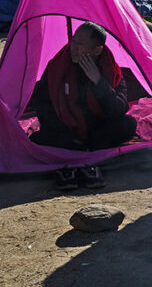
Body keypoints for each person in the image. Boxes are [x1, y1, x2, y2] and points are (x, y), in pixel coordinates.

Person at [29, 22, 136, 190]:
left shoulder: (110, 70)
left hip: (97, 130)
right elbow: (41, 102)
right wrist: (61, 129)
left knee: (128, 124)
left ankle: (77, 153)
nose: (73, 48)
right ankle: (83, 152)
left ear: (97, 50)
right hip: (65, 130)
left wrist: (98, 82)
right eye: (74, 42)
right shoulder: (58, 65)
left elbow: (118, 109)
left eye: (80, 45)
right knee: (37, 139)